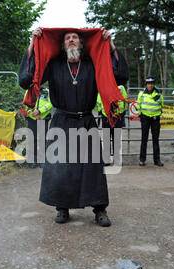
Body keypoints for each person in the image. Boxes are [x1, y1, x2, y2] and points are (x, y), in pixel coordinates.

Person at [19, 27, 129, 226]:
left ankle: (100, 209)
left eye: (75, 38)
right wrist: (32, 44)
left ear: (81, 43)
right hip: (61, 121)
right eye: (67, 38)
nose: (71, 40)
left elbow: (120, 77)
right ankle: (62, 207)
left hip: (86, 121)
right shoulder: (53, 65)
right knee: (62, 166)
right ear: (62, 45)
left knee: (93, 167)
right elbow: (27, 79)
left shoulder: (93, 64)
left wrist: (110, 44)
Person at [96, 85, 128, 165]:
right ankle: (108, 160)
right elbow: (99, 101)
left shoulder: (120, 88)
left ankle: (115, 159)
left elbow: (125, 101)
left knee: (116, 139)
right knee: (107, 138)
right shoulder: (103, 87)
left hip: (116, 117)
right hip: (107, 116)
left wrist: (121, 113)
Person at [137, 76, 164, 167]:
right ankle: (142, 159)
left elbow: (162, 105)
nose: (150, 85)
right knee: (144, 139)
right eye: (148, 83)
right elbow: (138, 105)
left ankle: (157, 160)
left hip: (155, 120)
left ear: (154, 84)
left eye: (152, 83)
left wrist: (158, 114)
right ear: (146, 84)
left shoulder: (159, 94)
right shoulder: (141, 94)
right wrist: (141, 115)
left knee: (155, 140)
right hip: (145, 119)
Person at [23, 87, 53, 168]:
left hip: (43, 118)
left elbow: (50, 104)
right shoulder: (29, 91)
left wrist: (40, 111)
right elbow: (25, 104)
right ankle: (33, 160)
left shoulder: (47, 92)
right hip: (32, 118)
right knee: (32, 139)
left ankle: (42, 160)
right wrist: (34, 113)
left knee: (42, 139)